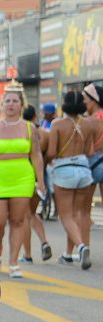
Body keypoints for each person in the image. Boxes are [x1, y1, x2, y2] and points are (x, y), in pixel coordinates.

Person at [0, 85, 45, 278]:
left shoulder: (29, 128)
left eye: (15, 101)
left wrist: (41, 181)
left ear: (21, 105)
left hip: (23, 177)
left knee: (18, 220)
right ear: (2, 105)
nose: (11, 104)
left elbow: (36, 155)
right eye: (7, 101)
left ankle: (13, 262)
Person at [47, 90, 95, 270]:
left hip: (64, 170)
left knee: (65, 215)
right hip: (84, 170)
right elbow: (90, 152)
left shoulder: (57, 124)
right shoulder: (88, 124)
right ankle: (68, 254)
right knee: (76, 214)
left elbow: (52, 152)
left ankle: (81, 247)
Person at [19, 105, 52, 263]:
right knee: (32, 213)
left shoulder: (19, 132)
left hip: (24, 176)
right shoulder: (44, 133)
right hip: (40, 175)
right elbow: (50, 154)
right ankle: (44, 242)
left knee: (25, 216)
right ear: (34, 116)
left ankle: (27, 254)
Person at [82, 83, 103, 248]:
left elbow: (86, 148)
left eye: (85, 99)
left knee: (84, 210)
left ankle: (85, 247)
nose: (83, 103)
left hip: (92, 163)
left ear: (94, 100)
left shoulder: (88, 121)